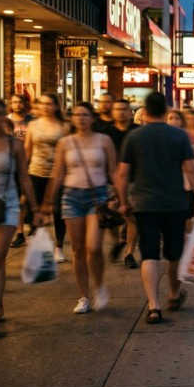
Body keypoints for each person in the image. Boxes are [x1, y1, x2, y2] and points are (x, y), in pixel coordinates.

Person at [116, 92, 194, 325]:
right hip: (175, 203)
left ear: (144, 113)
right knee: (174, 253)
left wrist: (124, 202)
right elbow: (191, 170)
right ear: (166, 113)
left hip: (145, 205)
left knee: (149, 255)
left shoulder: (134, 137)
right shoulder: (179, 136)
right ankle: (174, 294)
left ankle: (154, 306)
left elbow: (123, 174)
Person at [42, 102, 118, 314]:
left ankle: (100, 287)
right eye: (76, 115)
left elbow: (113, 171)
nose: (80, 118)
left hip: (98, 197)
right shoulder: (65, 142)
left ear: (92, 118)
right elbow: (58, 173)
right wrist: (48, 201)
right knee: (77, 250)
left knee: (93, 248)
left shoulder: (104, 141)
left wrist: (118, 196)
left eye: (84, 115)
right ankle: (83, 296)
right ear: (72, 118)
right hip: (71, 197)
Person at [0, 99, 41, 337]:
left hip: (5, 205)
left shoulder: (14, 145)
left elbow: (25, 178)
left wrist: (35, 208)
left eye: (0, 114)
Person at [25, 94, 69, 263]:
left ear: (56, 106)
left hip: (57, 174)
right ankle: (38, 245)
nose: (45, 107)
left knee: (58, 210)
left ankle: (58, 246)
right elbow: (27, 150)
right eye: (43, 104)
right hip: (35, 171)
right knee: (34, 209)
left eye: (49, 104)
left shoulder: (64, 126)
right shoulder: (33, 125)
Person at [102, 99, 139, 269]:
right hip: (110, 180)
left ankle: (129, 252)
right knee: (111, 214)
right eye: (118, 109)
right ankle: (118, 241)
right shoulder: (106, 133)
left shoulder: (137, 132)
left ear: (130, 113)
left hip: (134, 180)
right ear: (113, 112)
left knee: (133, 217)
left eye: (125, 109)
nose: (122, 112)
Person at [7, 95, 33, 248]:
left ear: (24, 104)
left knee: (28, 198)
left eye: (20, 102)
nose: (17, 104)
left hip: (31, 163)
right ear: (11, 104)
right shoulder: (7, 120)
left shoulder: (32, 121)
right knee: (18, 201)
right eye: (15, 102)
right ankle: (20, 233)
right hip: (13, 164)